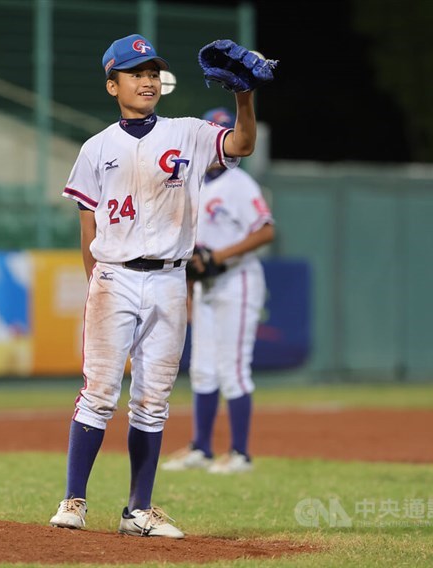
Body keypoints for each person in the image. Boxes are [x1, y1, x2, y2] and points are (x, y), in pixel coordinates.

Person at [49, 35, 259, 538]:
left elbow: (243, 144)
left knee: (152, 399)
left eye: (152, 72)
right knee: (98, 391)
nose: (146, 80)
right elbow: (88, 231)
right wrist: (98, 284)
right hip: (115, 276)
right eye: (135, 72)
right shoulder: (96, 148)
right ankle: (74, 501)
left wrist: (244, 97)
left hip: (170, 278)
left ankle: (138, 510)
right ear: (112, 84)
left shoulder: (186, 132)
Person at [161, 107, 275, 475]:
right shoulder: (195, 183)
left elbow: (266, 230)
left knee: (233, 367)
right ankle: (202, 448)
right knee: (203, 369)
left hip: (238, 281)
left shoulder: (238, 183)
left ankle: (240, 453)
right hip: (207, 285)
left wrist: (219, 256)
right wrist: (192, 287)